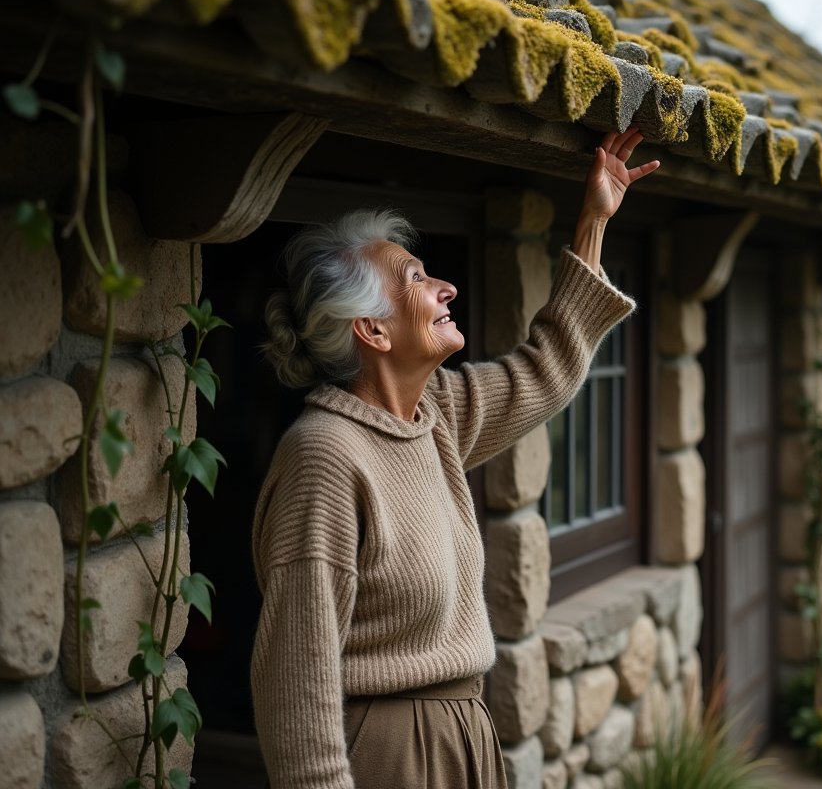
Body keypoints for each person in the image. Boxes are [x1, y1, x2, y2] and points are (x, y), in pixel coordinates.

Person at [251, 129, 660, 789]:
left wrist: (593, 221)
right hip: (388, 752)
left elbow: (546, 369)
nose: (444, 286)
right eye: (414, 278)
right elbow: (295, 686)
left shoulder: (435, 414)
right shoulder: (324, 458)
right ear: (372, 329)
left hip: (463, 735)